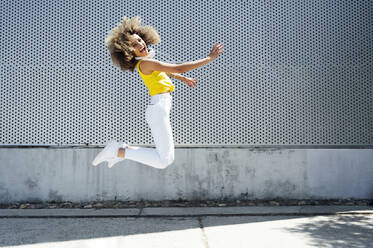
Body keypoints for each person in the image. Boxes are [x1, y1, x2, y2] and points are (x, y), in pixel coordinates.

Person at [92, 15, 224, 169]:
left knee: (164, 159)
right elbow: (178, 67)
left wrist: (182, 78)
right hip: (158, 109)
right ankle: (118, 151)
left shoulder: (146, 62)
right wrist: (208, 58)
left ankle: (120, 151)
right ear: (129, 51)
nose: (140, 44)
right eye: (134, 45)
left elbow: (166, 73)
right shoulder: (146, 63)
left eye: (139, 40)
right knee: (164, 160)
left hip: (159, 108)